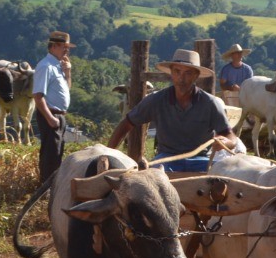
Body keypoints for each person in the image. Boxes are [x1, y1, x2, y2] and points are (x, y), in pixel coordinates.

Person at [107, 48, 235, 173]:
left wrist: (227, 142)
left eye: (188, 73)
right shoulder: (156, 100)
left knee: (224, 177)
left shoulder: (210, 103)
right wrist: (108, 154)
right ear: (171, 73)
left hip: (201, 160)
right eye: (177, 72)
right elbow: (127, 123)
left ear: (196, 76)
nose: (181, 78)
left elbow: (230, 136)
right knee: (151, 180)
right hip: (165, 160)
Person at [31, 30, 76, 183]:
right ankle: (46, 187)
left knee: (57, 153)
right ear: (54, 46)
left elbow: (67, 89)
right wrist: (49, 118)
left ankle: (52, 186)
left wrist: (68, 72)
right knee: (50, 155)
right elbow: (38, 96)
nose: (67, 50)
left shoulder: (58, 66)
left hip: (59, 116)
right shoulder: (45, 66)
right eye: (64, 46)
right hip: (51, 115)